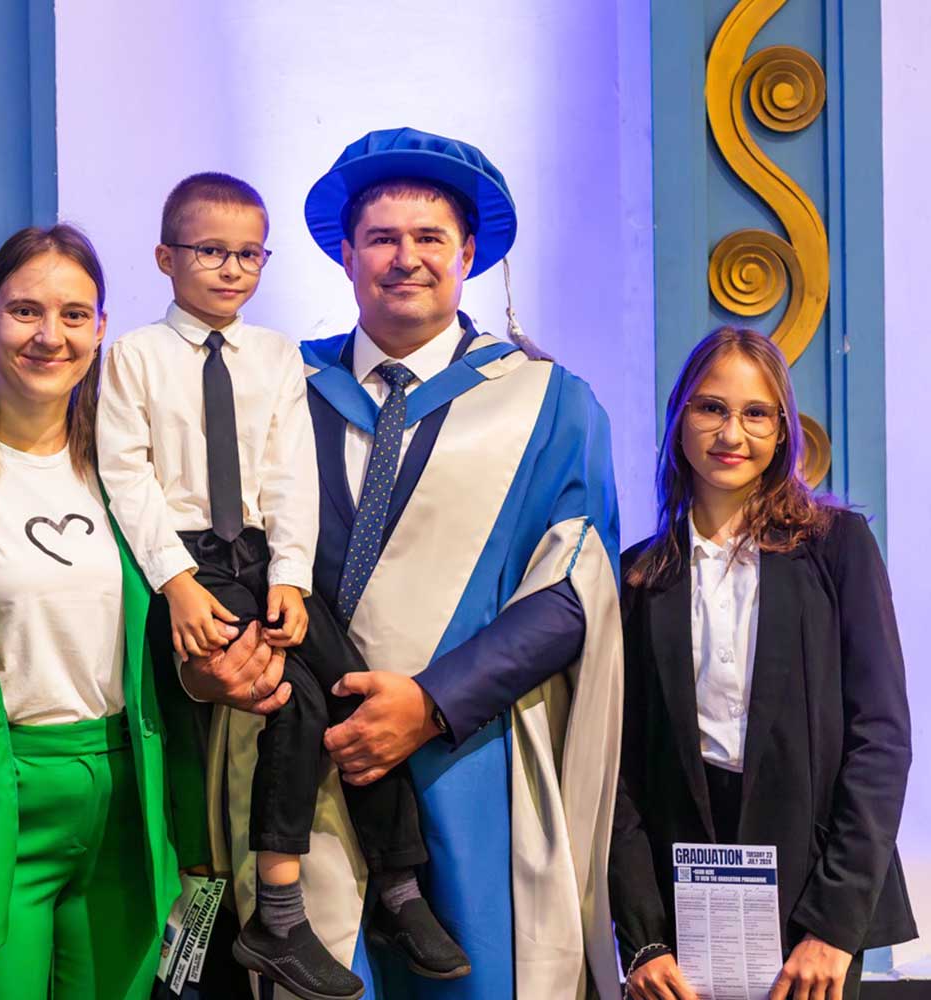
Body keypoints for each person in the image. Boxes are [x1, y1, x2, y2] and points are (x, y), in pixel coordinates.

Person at [184, 127, 625, 999]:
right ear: (345, 256)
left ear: (469, 255)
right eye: (382, 238)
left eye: (430, 239)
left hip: (465, 761)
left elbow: (575, 591)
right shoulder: (276, 387)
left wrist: (431, 703)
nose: (406, 258)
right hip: (296, 755)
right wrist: (215, 665)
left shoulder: (548, 403)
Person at [98, 172, 468, 1000]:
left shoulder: (275, 355)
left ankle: (401, 885)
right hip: (190, 562)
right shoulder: (134, 357)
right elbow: (126, 478)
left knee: (355, 687)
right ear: (165, 257)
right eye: (210, 252)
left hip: (265, 560)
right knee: (287, 704)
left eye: (247, 255)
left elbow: (290, 474)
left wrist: (295, 579)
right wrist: (179, 584)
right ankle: (278, 910)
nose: (231, 270)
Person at [0, 224, 208, 1000]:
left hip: (128, 801)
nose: (49, 336)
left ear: (100, 329)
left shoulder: (136, 477)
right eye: (25, 311)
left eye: (74, 314)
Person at [610, 327, 916, 1000]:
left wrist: (834, 928)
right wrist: (643, 937)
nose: (731, 433)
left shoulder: (838, 548)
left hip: (814, 893)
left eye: (756, 413)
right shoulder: (636, 574)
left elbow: (882, 740)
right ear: (679, 420)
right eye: (710, 407)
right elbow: (619, 776)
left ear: (782, 432)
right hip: (678, 906)